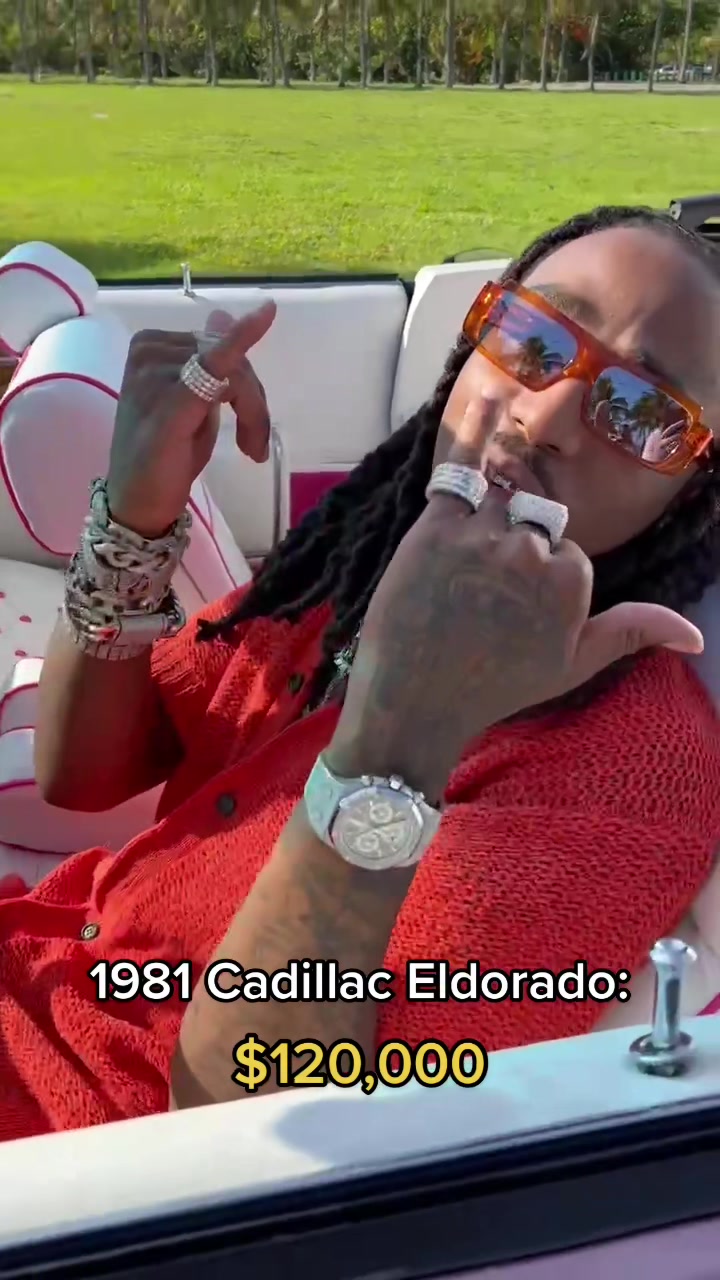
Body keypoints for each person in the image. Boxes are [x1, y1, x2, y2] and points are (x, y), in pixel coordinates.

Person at [1, 203, 719, 1138]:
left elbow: (262, 1133)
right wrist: (135, 518)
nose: (543, 416)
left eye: (642, 412)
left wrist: (400, 731)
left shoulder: (632, 773)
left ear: (695, 487)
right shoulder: (356, 574)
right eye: (534, 339)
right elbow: (80, 774)